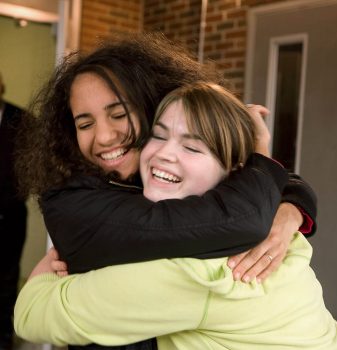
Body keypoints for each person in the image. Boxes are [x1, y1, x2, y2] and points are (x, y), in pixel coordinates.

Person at [14, 33, 316, 350]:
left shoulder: (161, 174)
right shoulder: (74, 206)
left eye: (118, 114)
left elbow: (274, 182)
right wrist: (264, 166)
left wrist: (290, 210)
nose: (104, 136)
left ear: (150, 108)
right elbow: (241, 217)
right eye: (84, 123)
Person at [0, 72, 27, 350]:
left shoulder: (20, 119)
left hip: (11, 215)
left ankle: (4, 337)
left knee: (7, 277)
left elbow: (34, 164)